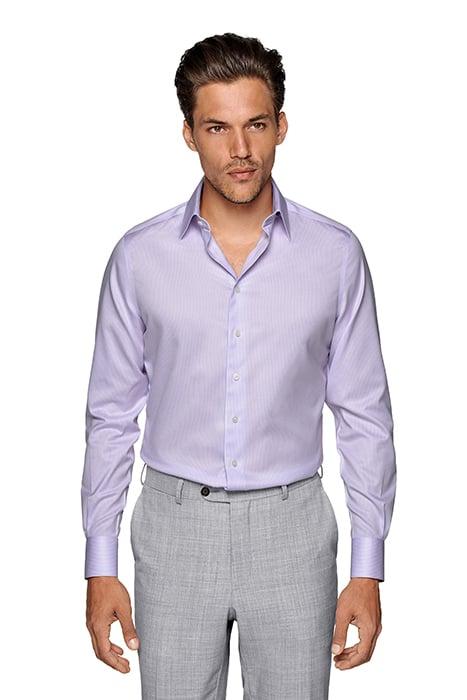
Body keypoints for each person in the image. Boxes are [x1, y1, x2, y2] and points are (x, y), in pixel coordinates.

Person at [81, 32, 397, 700]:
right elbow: (110, 416)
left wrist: (368, 568)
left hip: (293, 528)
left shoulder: (335, 255)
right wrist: (99, 563)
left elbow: (364, 416)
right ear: (189, 134)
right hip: (173, 529)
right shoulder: (139, 258)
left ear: (281, 125)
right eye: (217, 128)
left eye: (255, 124)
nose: (240, 149)